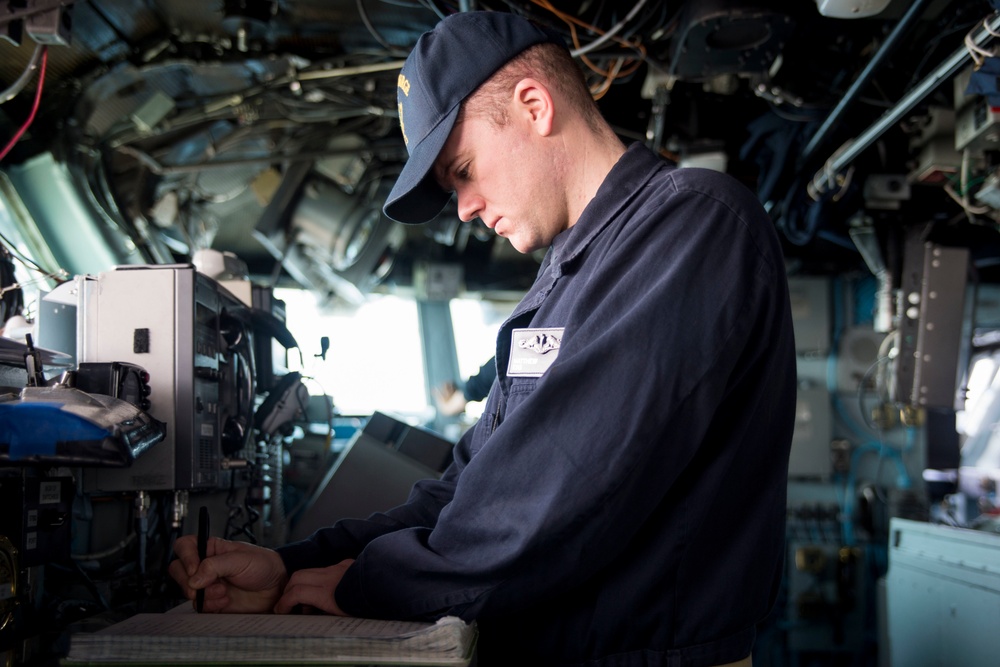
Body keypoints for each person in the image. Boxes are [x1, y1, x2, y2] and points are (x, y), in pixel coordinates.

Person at [170, 10, 797, 666]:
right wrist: (290, 564)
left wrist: (365, 583)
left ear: (533, 105)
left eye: (463, 167)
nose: (463, 206)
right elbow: (463, 491)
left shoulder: (692, 225)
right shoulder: (561, 282)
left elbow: (555, 497)